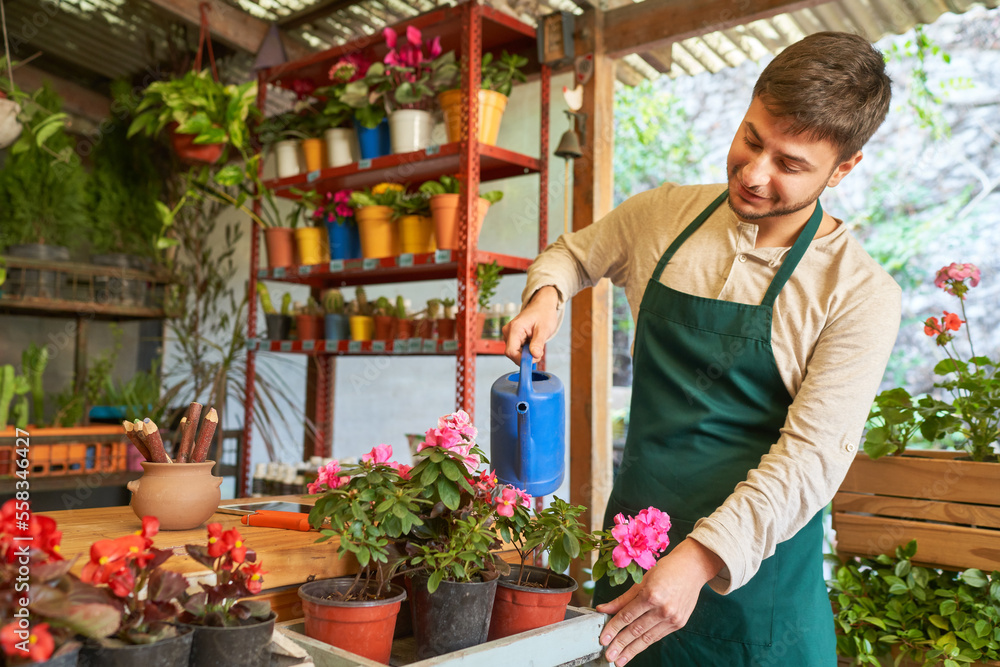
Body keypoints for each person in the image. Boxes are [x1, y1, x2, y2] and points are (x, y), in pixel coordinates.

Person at [502, 31, 900, 666]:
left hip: (756, 600)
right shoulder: (663, 216)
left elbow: (813, 459)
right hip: (629, 565)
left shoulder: (857, 292)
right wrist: (547, 295)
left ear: (844, 167)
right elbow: (574, 254)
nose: (754, 173)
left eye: (790, 164)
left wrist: (699, 558)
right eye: (751, 139)